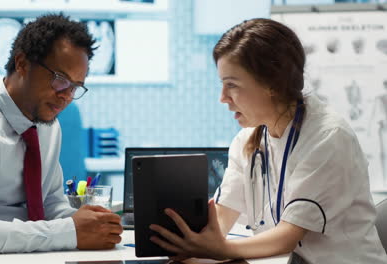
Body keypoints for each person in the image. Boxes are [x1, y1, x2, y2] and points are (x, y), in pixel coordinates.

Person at [149, 18, 387, 263]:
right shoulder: (247, 141)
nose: (222, 98)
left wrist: (221, 250)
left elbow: (288, 236)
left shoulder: (327, 138)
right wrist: (192, 246)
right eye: (222, 84)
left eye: (232, 85)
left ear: (272, 83)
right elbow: (222, 216)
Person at [0, 13, 122, 264]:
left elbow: (50, 207)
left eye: (75, 87)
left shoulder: (48, 126)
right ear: (22, 64)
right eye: (60, 80)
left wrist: (93, 225)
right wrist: (69, 231)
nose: (66, 97)